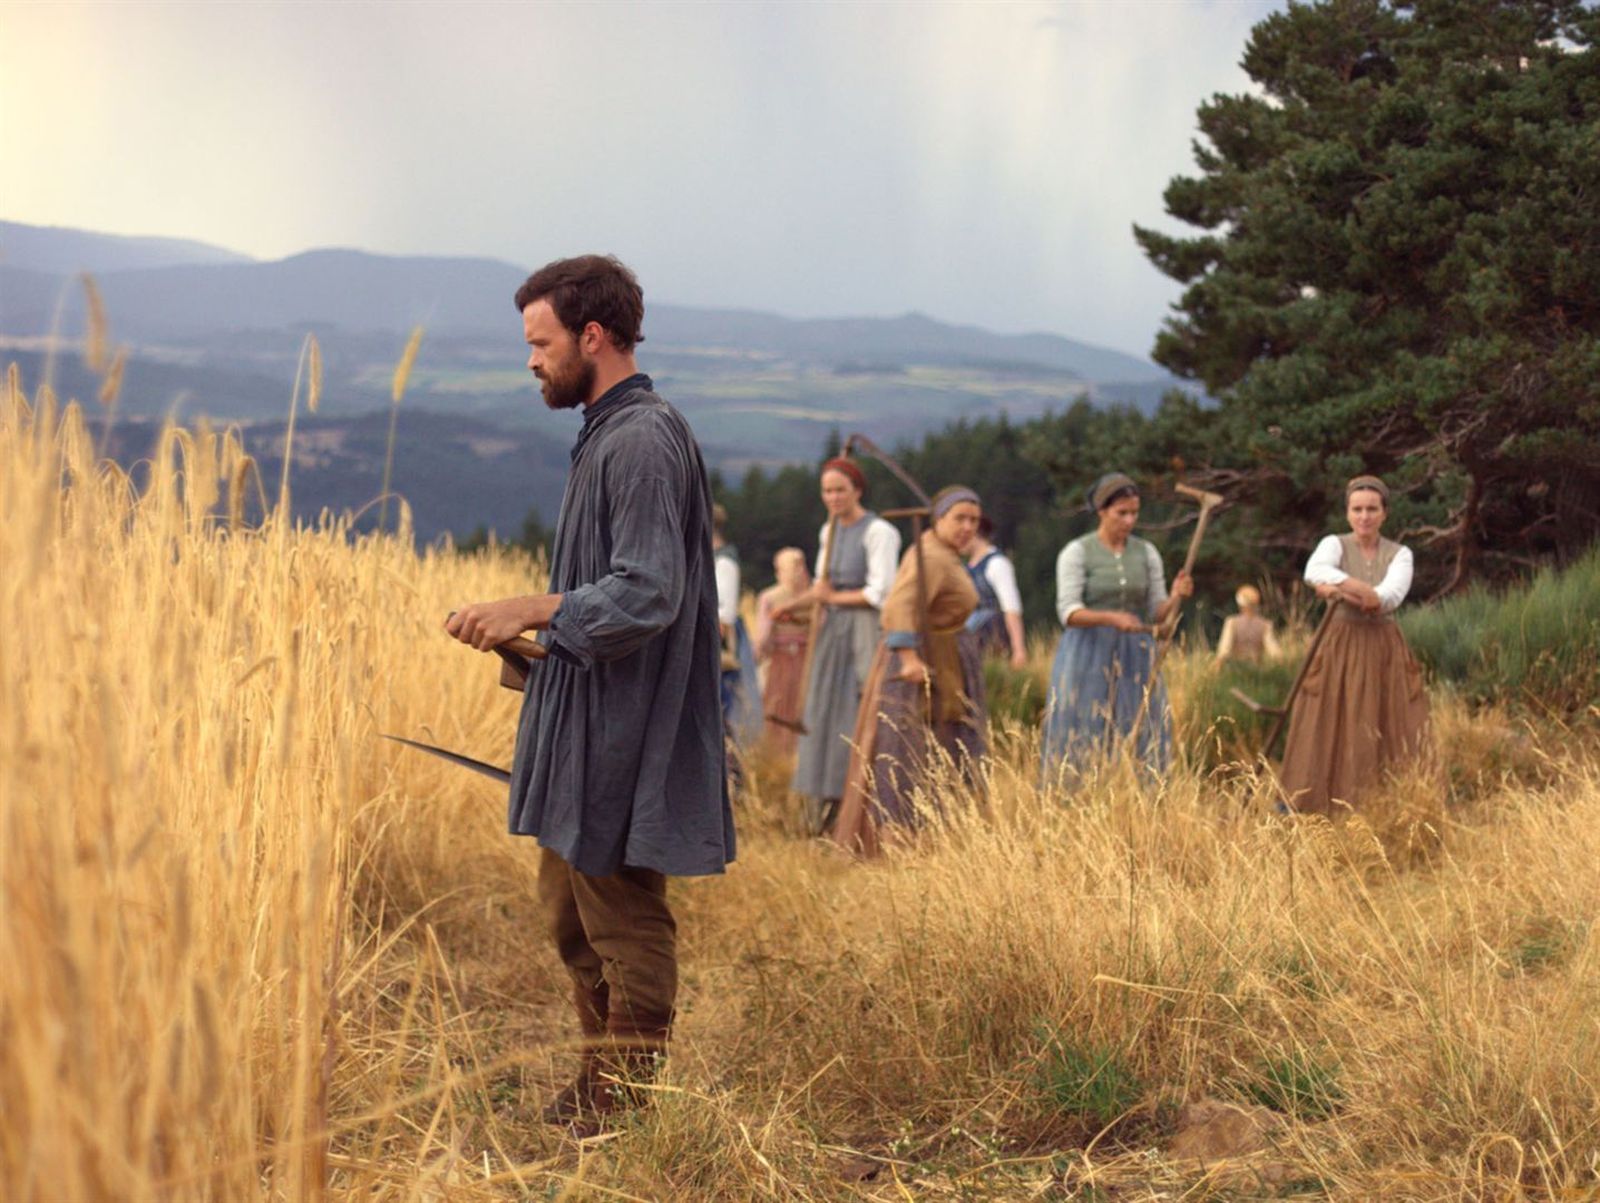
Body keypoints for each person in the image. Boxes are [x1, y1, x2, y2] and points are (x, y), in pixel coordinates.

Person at [444, 255, 733, 1132]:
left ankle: (628, 1104)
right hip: (588, 714)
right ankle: (598, 1078)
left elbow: (649, 590)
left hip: (625, 725)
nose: (532, 361)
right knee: (570, 909)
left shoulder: (640, 438)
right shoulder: (606, 431)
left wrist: (534, 607)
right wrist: (534, 631)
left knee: (620, 911)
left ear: (594, 336)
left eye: (541, 343)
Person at [830, 486, 989, 856]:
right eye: (959, 519)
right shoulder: (930, 557)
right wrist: (909, 658)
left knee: (941, 748)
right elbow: (900, 606)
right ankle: (901, 843)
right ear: (939, 519)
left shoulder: (944, 554)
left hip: (945, 659)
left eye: (974, 521)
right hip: (920, 666)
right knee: (907, 752)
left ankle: (936, 839)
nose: (968, 527)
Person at [1278, 475, 1429, 815]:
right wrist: (1358, 590)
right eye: (1357, 509)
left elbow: (1387, 598)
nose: (1364, 517)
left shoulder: (1400, 554)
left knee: (1384, 719)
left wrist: (1340, 588)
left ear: (1384, 513)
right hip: (1338, 642)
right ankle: (1311, 804)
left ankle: (1380, 807)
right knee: (1324, 715)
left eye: (1372, 509)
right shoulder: (1334, 544)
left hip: (1382, 646)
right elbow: (1314, 570)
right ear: (1347, 512)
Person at [1040, 472, 1193, 781]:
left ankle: (1139, 794)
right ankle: (1076, 792)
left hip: (1135, 651)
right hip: (1087, 651)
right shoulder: (1077, 552)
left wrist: (1177, 595)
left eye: (1134, 513)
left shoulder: (1146, 552)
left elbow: (1158, 611)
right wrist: (1110, 618)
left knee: (1140, 723)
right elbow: (1068, 611)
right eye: (1121, 513)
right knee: (1084, 723)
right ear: (1102, 511)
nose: (1129, 520)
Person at [787, 458, 901, 835]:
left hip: (864, 629)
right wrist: (799, 605)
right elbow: (822, 587)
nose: (833, 497)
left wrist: (833, 597)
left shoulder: (879, 532)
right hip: (832, 630)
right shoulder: (830, 530)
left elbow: (879, 592)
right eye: (827, 491)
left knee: (857, 707)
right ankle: (820, 811)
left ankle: (859, 810)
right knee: (823, 710)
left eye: (840, 490)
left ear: (857, 491)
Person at [712, 505, 763, 751]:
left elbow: (725, 614)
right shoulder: (713, 558)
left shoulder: (724, 562)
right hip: (713, 640)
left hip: (722, 647)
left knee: (725, 711)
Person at [753, 548, 812, 759]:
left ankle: (783, 756)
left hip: (789, 660)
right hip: (797, 660)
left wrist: (758, 655)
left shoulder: (771, 596)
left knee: (783, 707)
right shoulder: (810, 596)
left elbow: (763, 637)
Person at [965, 516, 1027, 668]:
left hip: (992, 633)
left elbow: (1011, 608)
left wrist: (1018, 649)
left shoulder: (997, 563)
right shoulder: (968, 566)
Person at [1215, 585, 1282, 664]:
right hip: (1256, 668)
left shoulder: (1232, 622)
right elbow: (1272, 648)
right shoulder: (1265, 624)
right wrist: (1280, 660)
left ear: (1240, 604)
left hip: (1237, 667)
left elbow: (1225, 647)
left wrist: (1218, 663)